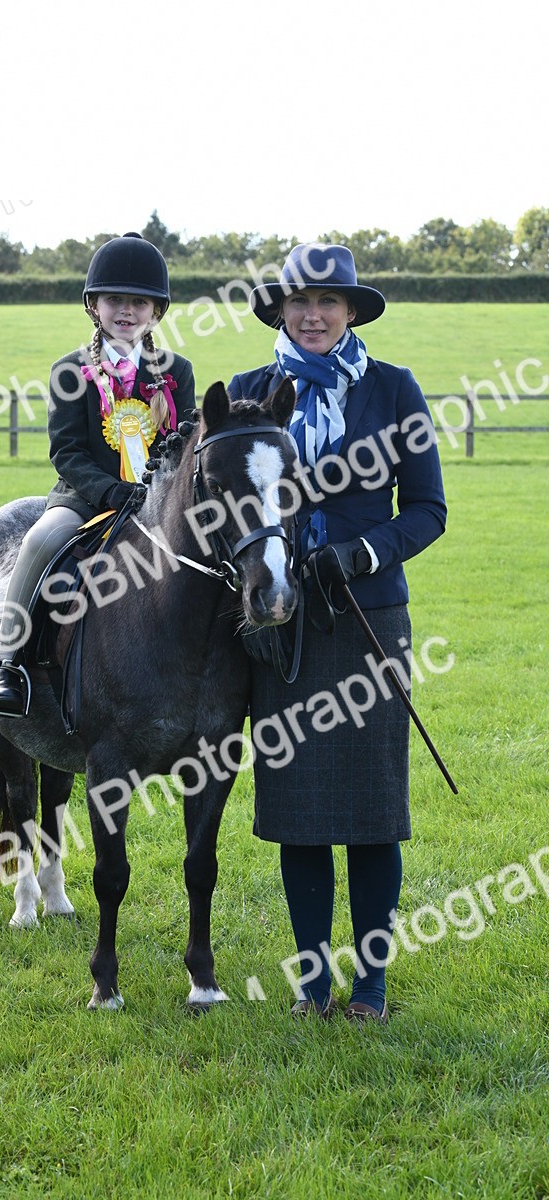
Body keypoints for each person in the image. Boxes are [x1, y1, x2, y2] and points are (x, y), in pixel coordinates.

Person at [228, 243, 447, 1023]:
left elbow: (427, 509)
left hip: (369, 618)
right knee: (299, 811)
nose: (314, 314)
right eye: (299, 302)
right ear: (280, 311)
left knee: (371, 809)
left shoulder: (394, 390)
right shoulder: (250, 393)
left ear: (351, 311)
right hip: (281, 621)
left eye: (329, 302)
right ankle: (312, 985)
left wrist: (360, 552)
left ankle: (374, 987)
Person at [0, 232, 196, 717]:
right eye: (115, 300)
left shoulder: (177, 371)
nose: (126, 311)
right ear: (93, 305)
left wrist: (158, 493)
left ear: (156, 311)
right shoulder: (70, 370)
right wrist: (113, 491)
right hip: (83, 499)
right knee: (39, 540)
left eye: (139, 302)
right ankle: (7, 664)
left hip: (158, 502)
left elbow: (183, 445)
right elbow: (68, 452)